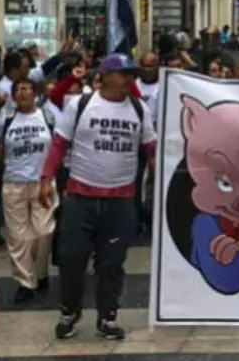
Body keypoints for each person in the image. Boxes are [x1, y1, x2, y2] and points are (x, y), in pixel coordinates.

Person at [40, 53, 157, 340]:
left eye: (132, 73)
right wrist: (46, 179)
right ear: (104, 76)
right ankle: (70, 311)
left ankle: (107, 316)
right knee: (71, 258)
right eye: (124, 74)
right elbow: (58, 145)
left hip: (121, 202)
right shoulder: (80, 106)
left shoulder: (140, 110)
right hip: (82, 199)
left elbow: (152, 150)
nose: (130, 79)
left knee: (112, 263)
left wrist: (163, 179)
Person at [0, 79, 56, 303]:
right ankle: (25, 282)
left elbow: (60, 146)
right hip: (14, 183)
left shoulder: (48, 116)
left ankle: (40, 272)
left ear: (35, 93)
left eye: (26, 89)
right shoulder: (6, 119)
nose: (22, 93)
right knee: (19, 237)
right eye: (17, 90)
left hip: (43, 183)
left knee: (43, 231)